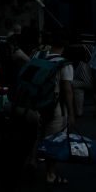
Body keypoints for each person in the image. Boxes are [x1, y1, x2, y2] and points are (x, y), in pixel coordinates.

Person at [31, 30, 75, 183]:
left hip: (35, 103)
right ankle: (51, 174)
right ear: (66, 44)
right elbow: (67, 90)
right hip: (54, 105)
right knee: (52, 139)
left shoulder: (38, 56)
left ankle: (33, 162)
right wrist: (71, 114)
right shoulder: (65, 64)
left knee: (38, 135)